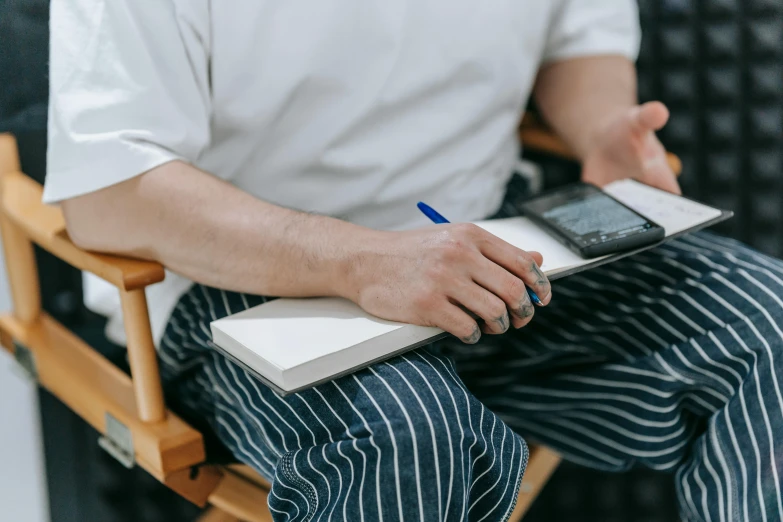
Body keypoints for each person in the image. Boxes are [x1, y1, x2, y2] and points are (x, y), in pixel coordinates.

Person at [45, 1, 782, 520]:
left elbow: (576, 33)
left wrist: (599, 128)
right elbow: (108, 192)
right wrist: (360, 261)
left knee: (768, 330)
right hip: (244, 277)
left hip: (490, 247)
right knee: (405, 435)